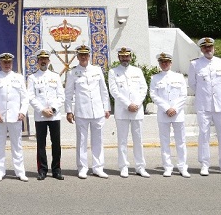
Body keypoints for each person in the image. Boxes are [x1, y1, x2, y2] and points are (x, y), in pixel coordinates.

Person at [188, 37, 221, 177]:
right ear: (201, 49)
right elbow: (193, 84)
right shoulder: (195, 64)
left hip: (220, 104)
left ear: (214, 47)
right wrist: (205, 94)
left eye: (210, 47)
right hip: (204, 104)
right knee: (204, 135)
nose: (208, 49)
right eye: (205, 47)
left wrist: (217, 94)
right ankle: (204, 164)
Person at [65, 44, 111, 179]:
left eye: (85, 55)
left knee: (98, 140)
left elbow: (103, 90)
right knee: (82, 141)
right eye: (81, 55)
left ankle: (98, 167)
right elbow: (68, 93)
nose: (83, 57)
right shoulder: (72, 72)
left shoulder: (97, 70)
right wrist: (68, 111)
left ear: (89, 56)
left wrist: (106, 108)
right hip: (81, 111)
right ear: (77, 57)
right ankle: (82, 167)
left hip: (97, 111)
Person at [108, 47, 150, 178]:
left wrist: (136, 104)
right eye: (122, 56)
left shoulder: (137, 71)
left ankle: (140, 167)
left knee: (138, 140)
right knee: (122, 140)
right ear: (119, 57)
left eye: (127, 56)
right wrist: (128, 104)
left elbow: (144, 88)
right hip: (122, 111)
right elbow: (114, 91)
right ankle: (124, 166)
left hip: (137, 110)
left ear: (131, 57)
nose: (125, 59)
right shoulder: (113, 72)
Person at [0, 52, 29, 182]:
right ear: (0, 63)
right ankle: (0, 171)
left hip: (15, 116)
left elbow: (25, 97)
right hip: (0, 117)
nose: (7, 64)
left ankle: (20, 171)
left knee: (17, 145)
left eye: (9, 62)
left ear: (12, 63)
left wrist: (22, 112)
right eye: (4, 62)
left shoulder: (18, 77)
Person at [149, 52, 190, 178]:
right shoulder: (154, 78)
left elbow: (183, 95)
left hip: (177, 113)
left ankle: (182, 166)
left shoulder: (179, 77)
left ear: (171, 63)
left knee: (181, 141)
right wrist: (166, 108)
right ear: (159, 64)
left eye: (166, 62)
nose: (164, 64)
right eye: (162, 62)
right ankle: (167, 167)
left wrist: (175, 108)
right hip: (163, 113)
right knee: (164, 141)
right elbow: (153, 95)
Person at [27, 49, 65, 180]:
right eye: (41, 59)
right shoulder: (32, 78)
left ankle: (56, 169)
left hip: (54, 115)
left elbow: (61, 96)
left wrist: (53, 109)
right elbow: (31, 97)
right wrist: (42, 109)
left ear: (49, 61)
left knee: (56, 143)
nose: (43, 61)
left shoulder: (55, 76)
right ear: (37, 61)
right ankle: (42, 170)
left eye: (45, 59)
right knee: (41, 144)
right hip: (40, 116)